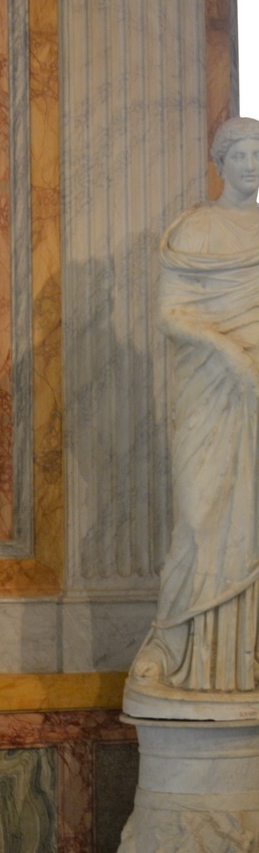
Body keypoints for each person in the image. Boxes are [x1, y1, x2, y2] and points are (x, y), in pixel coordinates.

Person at [131, 117, 259, 692]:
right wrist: (229, 353)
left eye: (258, 155)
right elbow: (170, 313)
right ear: (220, 162)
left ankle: (243, 658)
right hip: (210, 388)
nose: (251, 165)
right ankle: (172, 642)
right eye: (241, 155)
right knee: (200, 515)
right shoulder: (196, 229)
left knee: (252, 523)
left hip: (257, 391)